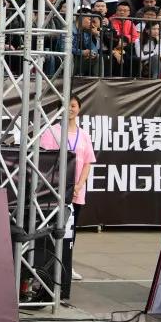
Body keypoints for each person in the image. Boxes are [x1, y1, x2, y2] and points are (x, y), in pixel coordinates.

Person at [40, 96, 95, 302]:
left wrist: (78, 185)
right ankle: (49, 268)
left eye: (73, 106)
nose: (70, 109)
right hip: (55, 193)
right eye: (66, 106)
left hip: (76, 193)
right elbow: (44, 161)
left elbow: (88, 162)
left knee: (70, 233)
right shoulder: (51, 131)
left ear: (79, 108)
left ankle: (66, 266)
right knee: (53, 231)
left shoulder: (84, 135)